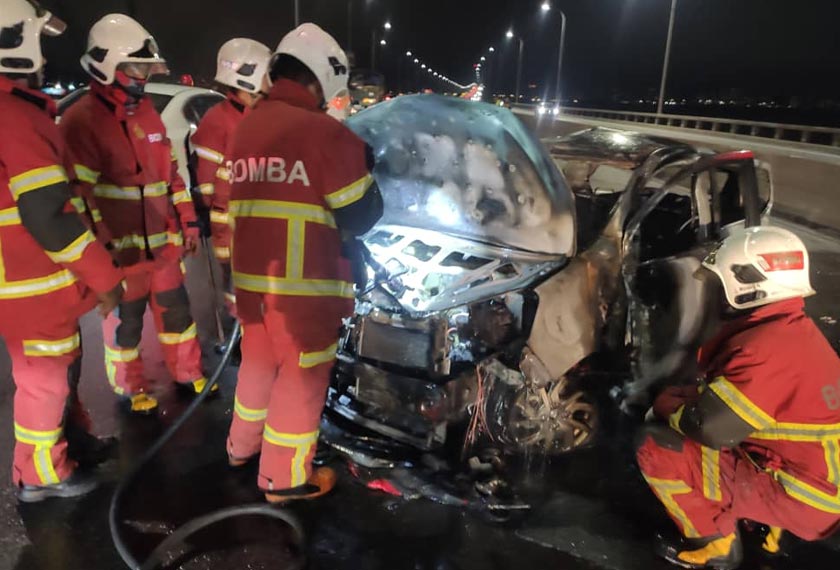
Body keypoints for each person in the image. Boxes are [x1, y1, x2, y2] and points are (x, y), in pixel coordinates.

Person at [226, 23, 383, 503]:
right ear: (320, 79)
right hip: (304, 291)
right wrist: (364, 163)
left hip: (254, 285)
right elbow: (362, 212)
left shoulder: (247, 124)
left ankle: (240, 448)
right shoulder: (321, 132)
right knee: (302, 379)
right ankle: (284, 479)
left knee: (256, 367)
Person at [637, 225, 840, 569]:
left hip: (807, 498)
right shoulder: (792, 332)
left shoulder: (762, 350)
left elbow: (711, 428)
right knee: (752, 439)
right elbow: (746, 406)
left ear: (749, 288)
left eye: (720, 286)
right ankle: (768, 526)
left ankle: (714, 544)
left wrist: (665, 405)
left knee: (657, 447)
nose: (714, 295)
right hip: (819, 482)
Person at [0, 0, 124, 502]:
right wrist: (104, 276)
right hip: (31, 285)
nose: (45, 57)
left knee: (60, 367)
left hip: (29, 283)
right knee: (44, 380)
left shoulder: (15, 113)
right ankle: (40, 474)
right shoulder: (15, 118)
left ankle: (68, 443)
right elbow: (50, 214)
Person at [60, 14, 207, 415]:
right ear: (108, 64)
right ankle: (130, 386)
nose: (143, 75)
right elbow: (81, 197)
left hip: (163, 248)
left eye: (145, 67)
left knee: (177, 314)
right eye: (136, 66)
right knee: (125, 325)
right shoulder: (83, 121)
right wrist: (102, 251)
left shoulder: (146, 113)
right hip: (121, 255)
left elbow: (172, 176)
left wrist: (189, 223)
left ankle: (188, 371)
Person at [190, 38, 271, 320]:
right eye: (264, 75)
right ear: (245, 77)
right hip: (232, 226)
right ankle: (241, 333)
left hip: (260, 222)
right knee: (238, 285)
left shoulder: (261, 116)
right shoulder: (218, 120)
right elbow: (207, 185)